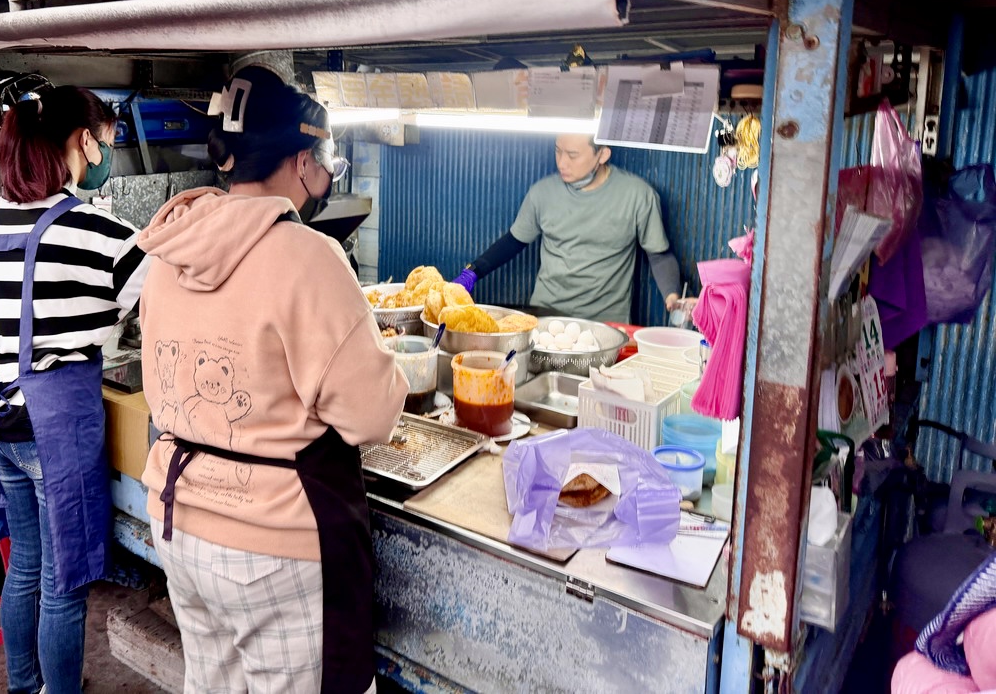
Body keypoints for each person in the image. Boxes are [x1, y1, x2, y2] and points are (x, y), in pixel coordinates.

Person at [137, 65, 407, 694]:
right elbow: (371, 416)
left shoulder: (171, 249)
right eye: (321, 157)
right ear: (302, 158)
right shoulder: (307, 256)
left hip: (179, 524)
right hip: (272, 543)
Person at [0, 85, 150, 694]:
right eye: (103, 140)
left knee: (25, 565)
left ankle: (23, 685)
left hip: (0, 429)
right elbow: (168, 305)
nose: (104, 152)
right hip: (61, 433)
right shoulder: (102, 236)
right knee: (63, 580)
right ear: (82, 142)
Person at [452, 134, 686, 323]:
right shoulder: (542, 193)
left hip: (606, 324)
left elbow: (659, 255)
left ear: (602, 154)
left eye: (572, 155)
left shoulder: (638, 195)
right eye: (558, 151)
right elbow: (514, 242)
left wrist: (672, 295)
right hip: (544, 316)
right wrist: (474, 271)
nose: (562, 162)